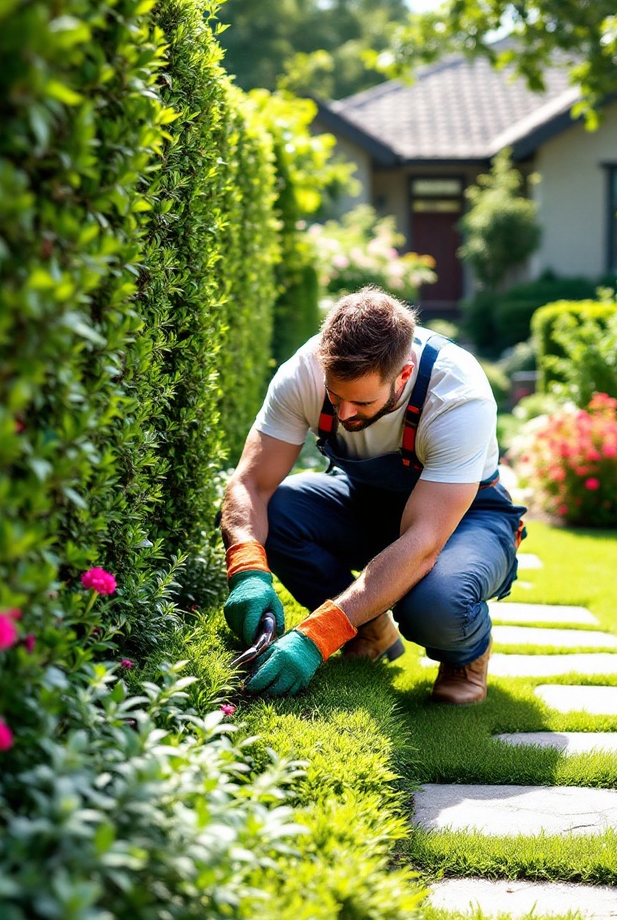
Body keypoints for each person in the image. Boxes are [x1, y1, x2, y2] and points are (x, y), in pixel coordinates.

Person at [220, 286, 526, 704]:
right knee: (279, 510)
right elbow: (250, 483)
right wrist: (247, 569)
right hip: (365, 502)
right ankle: (368, 631)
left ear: (402, 376)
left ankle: (465, 655)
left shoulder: (457, 397)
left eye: (361, 402)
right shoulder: (304, 372)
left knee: (434, 603)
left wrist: (317, 635)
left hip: (465, 521)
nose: (343, 415)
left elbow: (421, 543)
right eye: (335, 396)